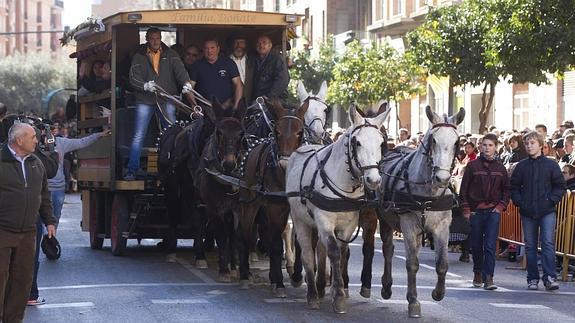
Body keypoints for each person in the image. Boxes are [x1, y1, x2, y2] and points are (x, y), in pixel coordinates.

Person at [0, 123, 56, 322]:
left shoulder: (36, 163)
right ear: (19, 140)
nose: (37, 140)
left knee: (22, 282)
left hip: (28, 233)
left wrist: (49, 221)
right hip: (3, 231)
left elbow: (44, 194)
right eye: (33, 136)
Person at [127, 27, 193, 180]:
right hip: (145, 100)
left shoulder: (171, 54)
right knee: (138, 135)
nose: (155, 41)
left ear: (161, 37)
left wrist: (186, 83)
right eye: (152, 38)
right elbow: (133, 77)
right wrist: (144, 86)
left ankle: (175, 167)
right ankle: (132, 170)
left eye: (157, 38)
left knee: (173, 133)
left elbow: (181, 71)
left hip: (166, 98)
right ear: (147, 39)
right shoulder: (139, 56)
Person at [510, 131, 566, 291]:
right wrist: (520, 202)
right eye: (527, 143)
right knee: (530, 246)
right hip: (528, 211)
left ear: (541, 145)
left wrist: (551, 200)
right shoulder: (521, 166)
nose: (529, 146)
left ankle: (550, 277)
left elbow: (560, 186)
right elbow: (514, 187)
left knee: (548, 243)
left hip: (547, 210)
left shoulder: (551, 164)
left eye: (532, 143)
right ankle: (532, 278)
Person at [459, 133, 510, 290]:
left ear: (495, 147)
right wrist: (467, 210)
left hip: (492, 211)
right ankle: (478, 272)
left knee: (489, 245)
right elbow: (464, 190)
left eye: (490, 145)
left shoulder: (501, 168)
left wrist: (500, 206)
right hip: (476, 211)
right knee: (476, 244)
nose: (487, 148)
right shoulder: (472, 166)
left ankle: (489, 278)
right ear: (480, 146)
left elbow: (506, 190)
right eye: (484, 145)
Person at [188, 38, 243, 107]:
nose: (209, 51)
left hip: (226, 107)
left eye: (212, 48)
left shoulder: (228, 63)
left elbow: (238, 84)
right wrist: (195, 107)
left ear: (218, 49)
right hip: (204, 107)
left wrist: (236, 106)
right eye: (206, 48)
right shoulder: (197, 65)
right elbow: (189, 88)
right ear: (203, 50)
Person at [251, 35, 289, 103]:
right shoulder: (254, 60)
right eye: (258, 43)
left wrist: (269, 96)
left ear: (270, 45)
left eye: (264, 43)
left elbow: (283, 80)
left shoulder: (277, 59)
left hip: (275, 101)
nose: (261, 45)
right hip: (259, 100)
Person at [228, 35, 253, 100]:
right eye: (236, 42)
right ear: (232, 45)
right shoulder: (225, 62)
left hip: (251, 102)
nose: (239, 46)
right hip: (231, 103)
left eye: (242, 42)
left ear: (246, 45)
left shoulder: (253, 60)